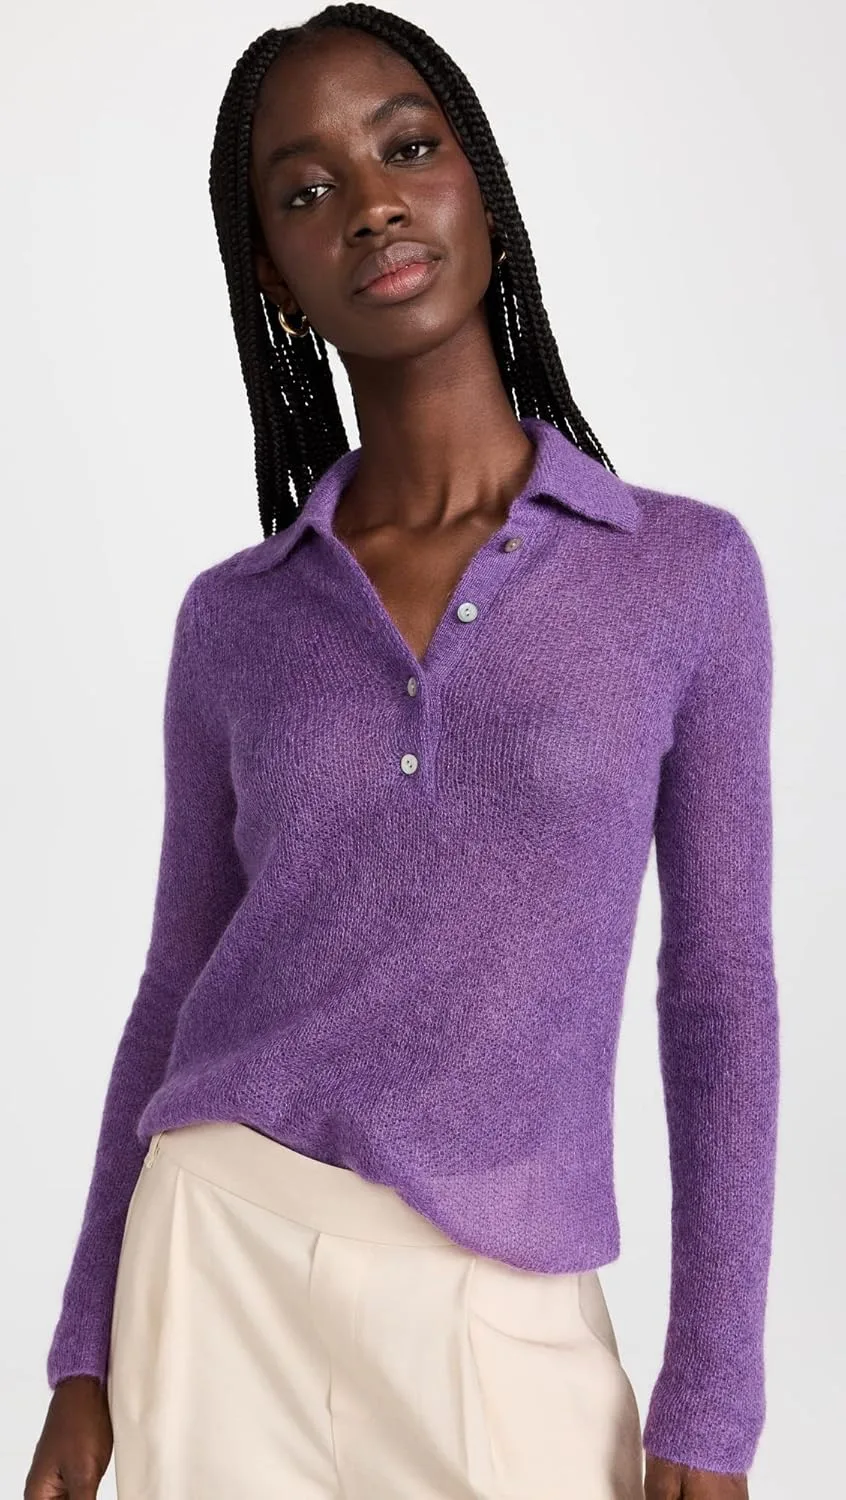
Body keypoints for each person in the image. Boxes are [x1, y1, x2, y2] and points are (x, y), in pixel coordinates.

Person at [25, 6, 780, 1499]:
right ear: (274, 274)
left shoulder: (681, 573)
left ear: (477, 186)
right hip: (218, 1266)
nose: (370, 203)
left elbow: (718, 990)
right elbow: (175, 981)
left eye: (408, 149)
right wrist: (83, 1353)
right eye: (306, 190)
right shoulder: (237, 618)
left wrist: (714, 1390)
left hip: (503, 1300)